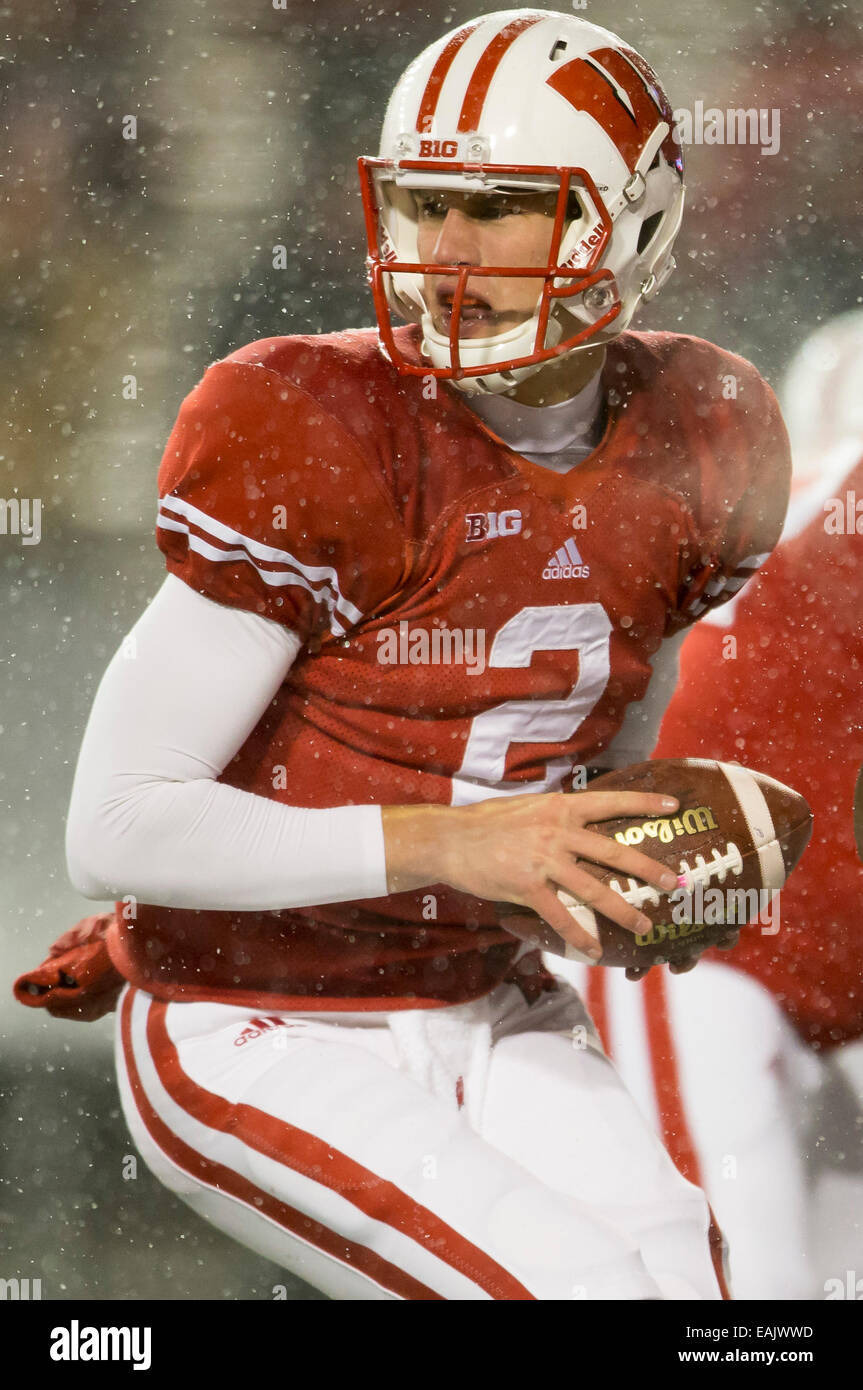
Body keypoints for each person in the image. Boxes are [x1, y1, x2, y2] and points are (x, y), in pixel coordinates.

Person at [29, 11, 792, 1299]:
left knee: (695, 1299)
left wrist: (610, 871)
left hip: (489, 997)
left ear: (636, 224)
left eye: (498, 205)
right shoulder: (319, 422)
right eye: (422, 203)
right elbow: (113, 822)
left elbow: (606, 725)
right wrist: (457, 845)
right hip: (253, 1014)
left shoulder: (707, 433)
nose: (444, 252)